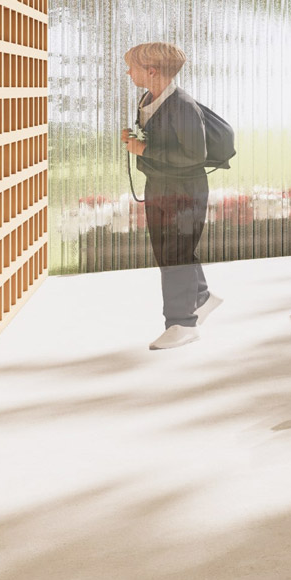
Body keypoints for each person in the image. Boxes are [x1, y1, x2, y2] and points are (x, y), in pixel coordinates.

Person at [123, 42, 222, 350]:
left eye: (133, 68)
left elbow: (195, 156)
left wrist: (145, 148)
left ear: (151, 71)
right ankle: (200, 296)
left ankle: (182, 324)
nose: (128, 73)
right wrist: (138, 140)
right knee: (170, 249)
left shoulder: (182, 105)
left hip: (183, 191)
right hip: (161, 186)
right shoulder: (148, 99)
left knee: (175, 252)